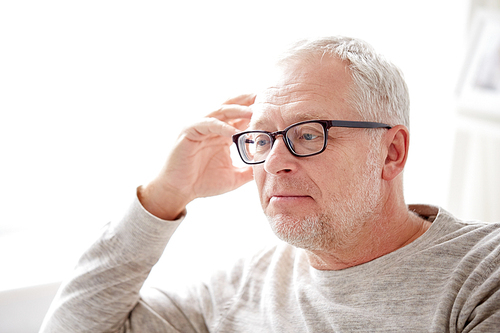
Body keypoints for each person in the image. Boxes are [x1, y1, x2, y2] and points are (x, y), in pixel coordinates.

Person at [40, 36, 500, 332]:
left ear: (391, 152)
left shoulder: (482, 277)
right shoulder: (241, 285)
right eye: (262, 137)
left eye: (307, 134)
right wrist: (164, 195)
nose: (275, 161)